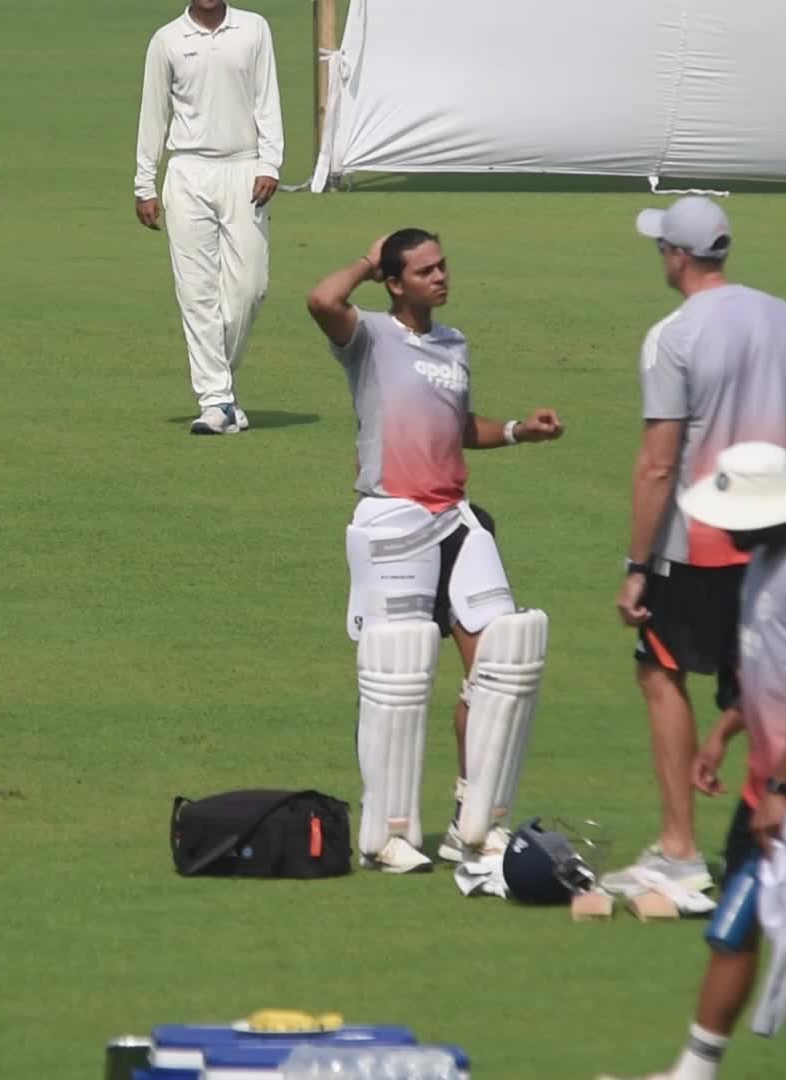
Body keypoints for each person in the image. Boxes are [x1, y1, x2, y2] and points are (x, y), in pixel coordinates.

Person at [600, 441, 786, 1080]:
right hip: (768, 785)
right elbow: (770, 667)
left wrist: (781, 785)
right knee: (735, 926)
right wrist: (723, 732)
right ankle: (694, 1070)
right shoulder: (763, 562)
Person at [607, 196, 786, 895]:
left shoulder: (673, 335)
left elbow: (658, 463)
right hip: (782, 538)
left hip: (698, 544)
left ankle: (680, 849)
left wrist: (635, 568)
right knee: (771, 690)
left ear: (678, 256)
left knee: (661, 674)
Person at [306, 229, 565, 873]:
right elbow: (319, 299)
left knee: (503, 664)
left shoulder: (455, 345)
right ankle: (388, 832)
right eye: (425, 271)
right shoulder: (367, 335)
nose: (441, 277)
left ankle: (474, 823)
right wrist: (368, 260)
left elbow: (458, 427)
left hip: (455, 517)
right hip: (394, 516)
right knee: (398, 676)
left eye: (443, 265)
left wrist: (515, 432)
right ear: (395, 283)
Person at [134, 0, 284, 435]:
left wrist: (269, 164)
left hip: (244, 167)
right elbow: (153, 114)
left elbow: (267, 99)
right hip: (187, 170)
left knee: (249, 289)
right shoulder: (167, 40)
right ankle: (216, 401)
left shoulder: (254, 29)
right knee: (197, 292)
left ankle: (221, 389)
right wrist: (145, 183)